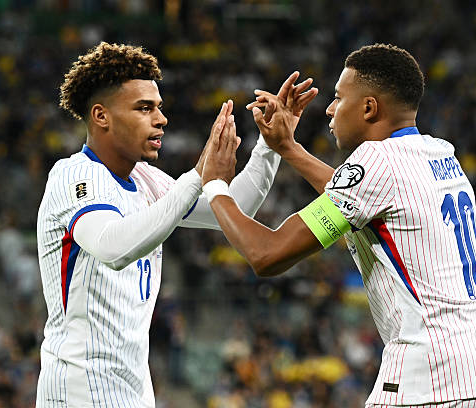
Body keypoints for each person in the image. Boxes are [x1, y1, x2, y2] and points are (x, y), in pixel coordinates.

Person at [201, 44, 476, 406]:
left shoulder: (376, 161)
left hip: (431, 376)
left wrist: (215, 184)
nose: (330, 109)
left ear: (368, 108)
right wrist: (288, 148)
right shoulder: (439, 152)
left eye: (338, 98)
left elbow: (266, 254)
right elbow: (360, 194)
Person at [35, 42, 315, 407]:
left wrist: (270, 146)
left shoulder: (147, 179)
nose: (161, 119)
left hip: (132, 389)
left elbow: (232, 208)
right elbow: (111, 247)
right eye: (144, 108)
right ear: (101, 116)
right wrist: (198, 175)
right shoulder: (73, 176)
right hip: (78, 390)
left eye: (159, 107)